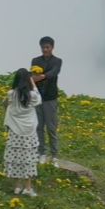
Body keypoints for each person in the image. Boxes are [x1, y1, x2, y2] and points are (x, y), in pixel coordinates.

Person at [4, 68, 40, 197]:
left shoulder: (11, 93)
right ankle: (28, 188)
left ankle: (17, 186)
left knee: (16, 157)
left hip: (15, 130)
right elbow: (38, 98)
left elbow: (7, 104)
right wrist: (33, 82)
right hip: (29, 131)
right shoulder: (33, 95)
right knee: (28, 158)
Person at [31, 36, 62, 164]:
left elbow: (53, 73)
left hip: (50, 98)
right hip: (38, 97)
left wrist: (41, 76)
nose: (45, 49)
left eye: (47, 47)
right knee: (39, 126)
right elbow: (32, 76)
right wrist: (36, 78)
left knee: (51, 127)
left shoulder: (57, 61)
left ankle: (54, 155)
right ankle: (41, 152)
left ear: (52, 47)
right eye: (43, 47)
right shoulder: (35, 60)